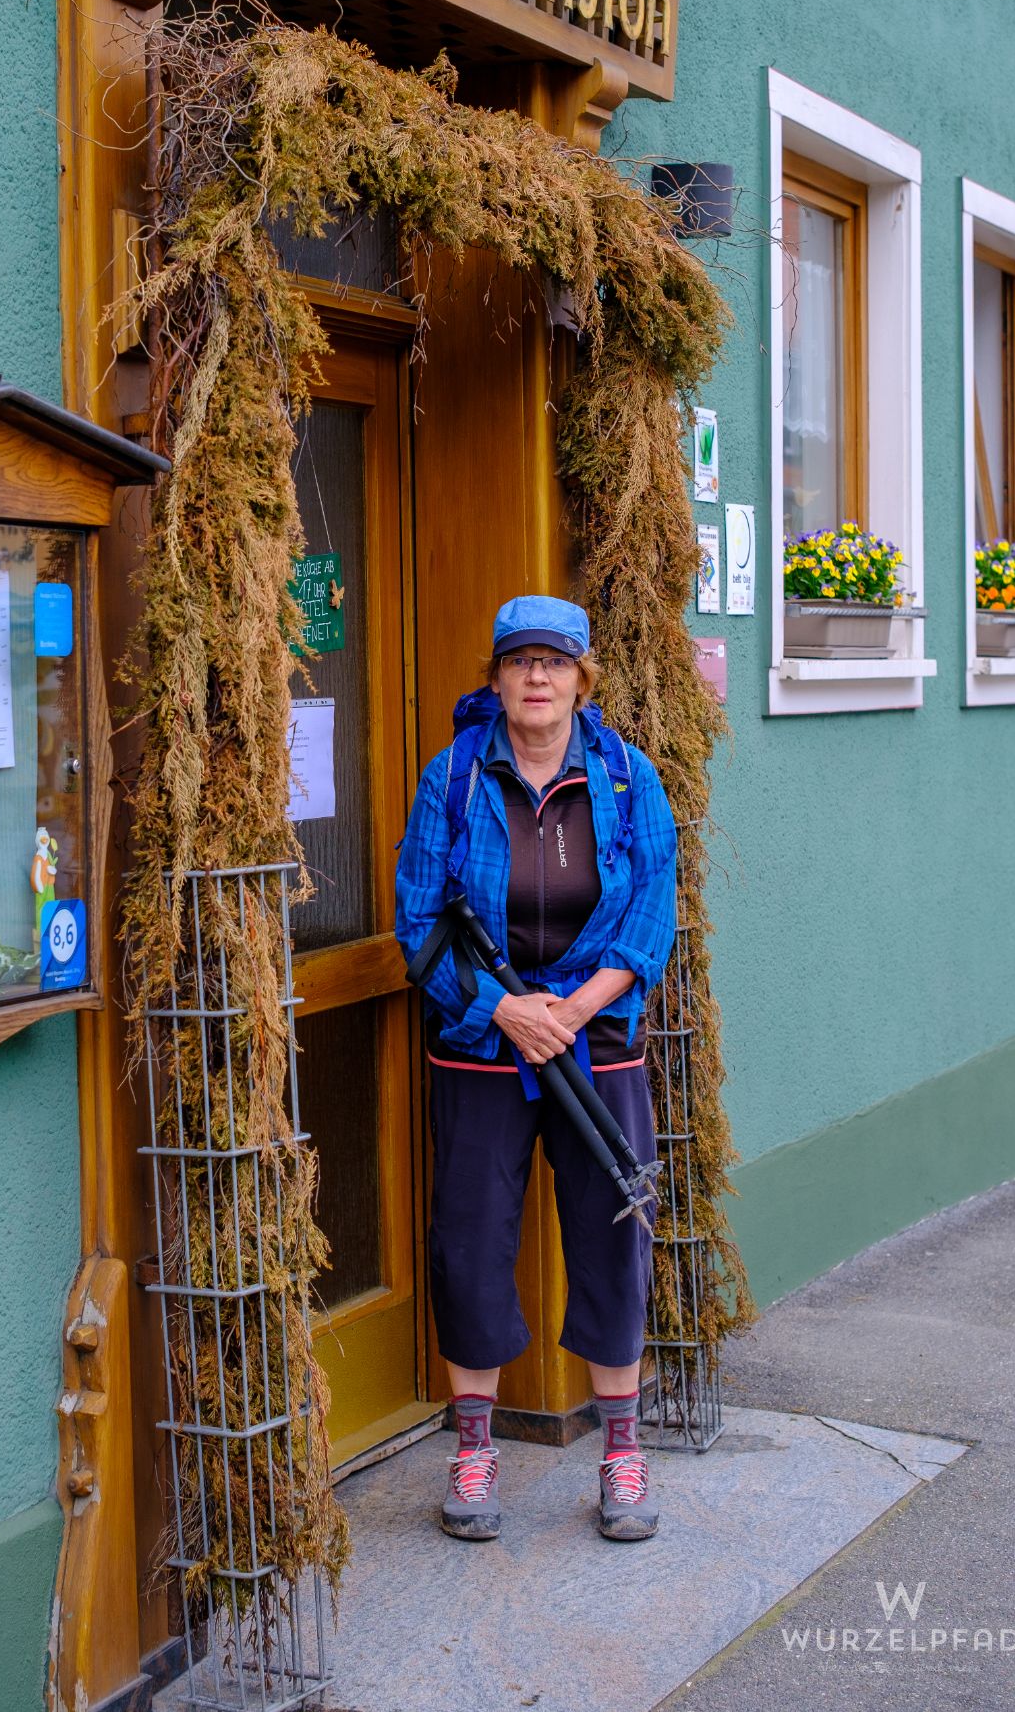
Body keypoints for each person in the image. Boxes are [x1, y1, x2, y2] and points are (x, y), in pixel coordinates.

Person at [395, 594, 678, 1543]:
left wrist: (573, 1009)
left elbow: (650, 913)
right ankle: (475, 1448)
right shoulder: (454, 780)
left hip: (594, 1041)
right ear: (496, 677)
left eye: (553, 662)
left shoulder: (629, 779)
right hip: (482, 1044)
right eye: (518, 661)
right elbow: (419, 923)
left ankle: (621, 1452)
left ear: (580, 676)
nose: (536, 677)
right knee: (470, 1239)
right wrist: (504, 1008)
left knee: (610, 1235)